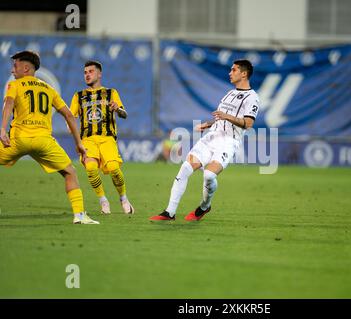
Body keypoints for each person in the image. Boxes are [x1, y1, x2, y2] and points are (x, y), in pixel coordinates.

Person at [149, 59, 260, 221]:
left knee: (208, 175)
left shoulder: (252, 97)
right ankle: (169, 212)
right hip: (211, 138)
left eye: (234, 70)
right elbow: (220, 118)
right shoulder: (230, 93)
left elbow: (248, 124)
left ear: (244, 74)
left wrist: (226, 116)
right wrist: (208, 124)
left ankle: (204, 207)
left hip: (228, 142)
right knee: (186, 167)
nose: (230, 72)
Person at [0, 50, 99, 224]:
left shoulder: (15, 85)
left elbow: (8, 103)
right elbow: (69, 115)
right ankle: (80, 216)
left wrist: (2, 129)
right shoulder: (49, 88)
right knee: (70, 172)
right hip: (43, 142)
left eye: (15, 66)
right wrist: (79, 144)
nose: (12, 70)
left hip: (18, 140)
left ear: (25, 68)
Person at [70, 61, 134, 215]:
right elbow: (71, 117)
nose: (87, 74)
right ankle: (103, 200)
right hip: (88, 139)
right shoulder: (79, 96)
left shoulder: (111, 93)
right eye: (85, 72)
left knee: (114, 169)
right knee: (91, 168)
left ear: (99, 74)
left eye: (90, 71)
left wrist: (117, 109)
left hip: (107, 138)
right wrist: (74, 135)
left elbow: (124, 114)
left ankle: (123, 198)